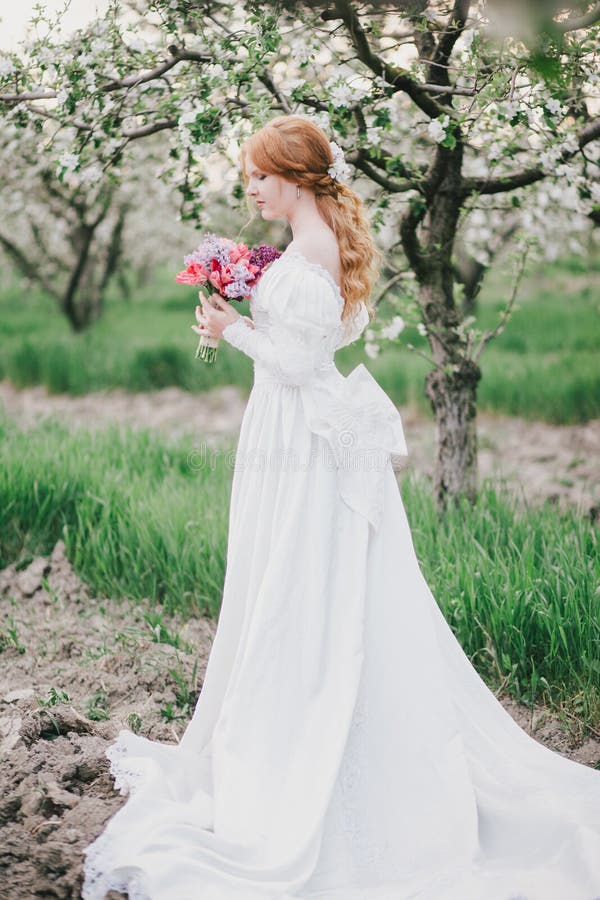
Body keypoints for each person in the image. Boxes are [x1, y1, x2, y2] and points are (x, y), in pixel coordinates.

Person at [82, 115, 600, 900]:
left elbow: (296, 360)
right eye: (249, 175)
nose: (250, 187)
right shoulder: (314, 244)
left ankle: (311, 744)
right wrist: (252, 306)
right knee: (293, 578)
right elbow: (325, 335)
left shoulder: (314, 253)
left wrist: (235, 327)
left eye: (260, 175)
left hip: (304, 439)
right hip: (300, 427)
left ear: (294, 176)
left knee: (303, 582)